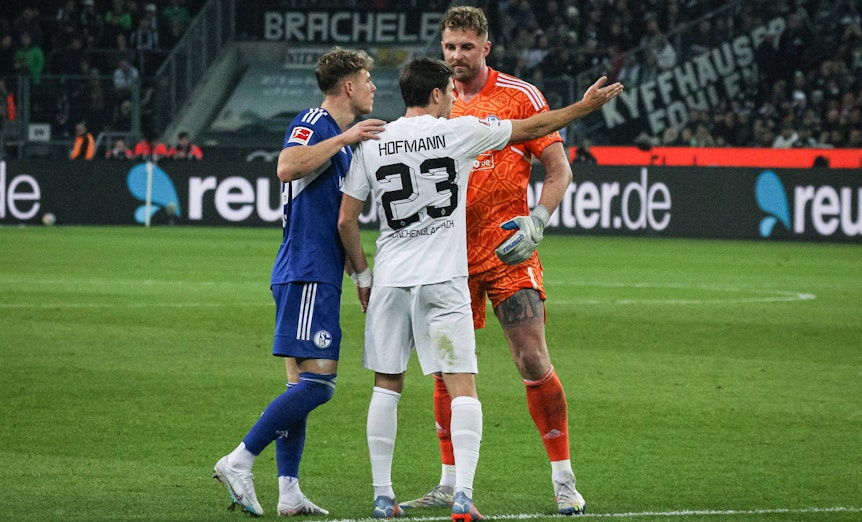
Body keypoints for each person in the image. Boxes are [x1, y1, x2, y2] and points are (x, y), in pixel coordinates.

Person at [338, 57, 621, 521]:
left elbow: (347, 219)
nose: (454, 98)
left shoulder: (373, 141)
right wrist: (583, 108)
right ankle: (463, 494)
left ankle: (382, 496)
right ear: (435, 95)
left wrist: (363, 275)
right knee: (462, 384)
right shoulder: (459, 132)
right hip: (446, 276)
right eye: (448, 92)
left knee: (386, 386)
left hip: (390, 278)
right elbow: (533, 125)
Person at [401, 6, 593, 516]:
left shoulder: (519, 96)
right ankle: (447, 482)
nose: (456, 57)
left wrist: (539, 221)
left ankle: (564, 478)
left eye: (466, 47)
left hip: (508, 250)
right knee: (446, 369)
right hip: (449, 255)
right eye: (449, 48)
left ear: (486, 47)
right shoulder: (434, 104)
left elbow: (558, 169)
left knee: (531, 357)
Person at [212, 46, 386, 517]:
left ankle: (288, 492)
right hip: (306, 270)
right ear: (348, 86)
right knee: (319, 386)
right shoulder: (316, 120)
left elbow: (341, 220)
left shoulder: (343, 142)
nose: (374, 87)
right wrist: (346, 136)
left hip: (315, 271)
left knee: (300, 388)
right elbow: (287, 165)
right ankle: (239, 459)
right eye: (368, 79)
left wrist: (360, 274)